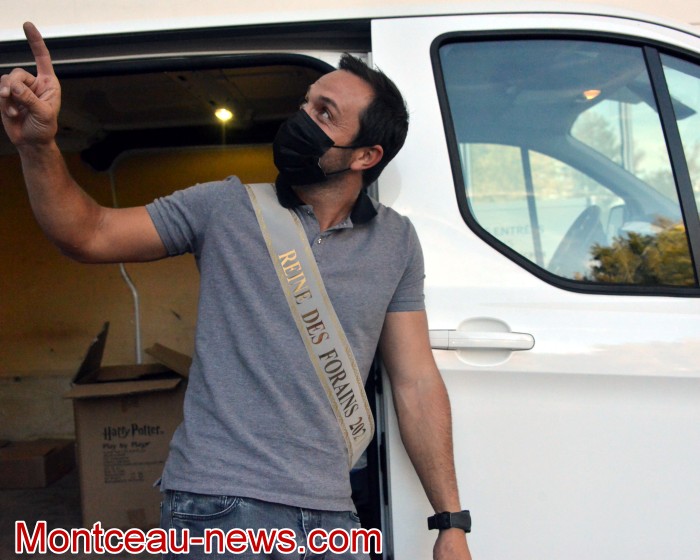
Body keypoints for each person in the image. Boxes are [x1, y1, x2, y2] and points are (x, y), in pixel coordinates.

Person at [0, 22, 473, 560]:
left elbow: (415, 381)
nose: (301, 119)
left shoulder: (396, 241)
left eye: (324, 114)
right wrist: (38, 147)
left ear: (365, 156)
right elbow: (88, 233)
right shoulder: (223, 207)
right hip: (215, 505)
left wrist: (450, 522)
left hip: (332, 513)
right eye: (306, 103)